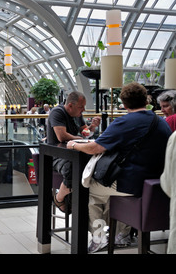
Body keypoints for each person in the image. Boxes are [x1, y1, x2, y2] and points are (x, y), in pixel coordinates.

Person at [66, 82, 172, 253]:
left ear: (123, 103)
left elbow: (95, 148)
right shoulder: (160, 121)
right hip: (158, 183)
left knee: (92, 190)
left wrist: (73, 145)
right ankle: (121, 235)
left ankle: (99, 238)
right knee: (109, 189)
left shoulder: (125, 121)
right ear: (146, 101)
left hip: (133, 183)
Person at [47, 91, 100, 214]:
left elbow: (85, 132)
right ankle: (60, 197)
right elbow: (61, 136)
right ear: (70, 105)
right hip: (57, 156)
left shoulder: (77, 114)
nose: (83, 110)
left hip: (76, 154)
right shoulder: (57, 112)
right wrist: (81, 140)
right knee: (74, 167)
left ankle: (82, 201)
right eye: (81, 107)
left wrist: (92, 127)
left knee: (93, 163)